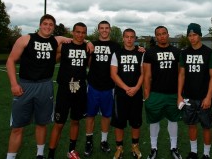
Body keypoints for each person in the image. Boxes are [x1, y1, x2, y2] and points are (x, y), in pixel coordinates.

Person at [5, 14, 79, 159]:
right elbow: (10, 60)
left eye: (51, 25)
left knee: (42, 123)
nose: (48, 26)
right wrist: (14, 84)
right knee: (17, 127)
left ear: (54, 27)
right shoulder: (26, 39)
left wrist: (88, 43)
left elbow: (76, 40)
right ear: (40, 25)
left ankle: (40, 154)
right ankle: (10, 157)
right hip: (25, 85)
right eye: (45, 24)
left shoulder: (56, 41)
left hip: (45, 85)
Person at [47, 22, 90, 159]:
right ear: (73, 32)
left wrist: (89, 42)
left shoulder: (88, 48)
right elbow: (50, 60)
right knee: (59, 124)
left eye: (83, 32)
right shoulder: (64, 46)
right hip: (64, 90)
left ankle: (71, 151)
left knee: (75, 121)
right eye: (78, 32)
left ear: (86, 34)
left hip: (80, 90)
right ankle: (51, 154)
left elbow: (92, 64)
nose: (80, 35)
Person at [178, 23, 212, 159]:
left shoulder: (209, 53)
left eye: (194, 35)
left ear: (199, 35)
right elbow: (181, 75)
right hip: (188, 96)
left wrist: (208, 97)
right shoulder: (184, 53)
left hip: (203, 96)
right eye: (190, 35)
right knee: (191, 125)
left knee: (206, 126)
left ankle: (206, 153)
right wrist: (179, 95)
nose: (192, 38)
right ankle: (193, 152)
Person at [143, 26, 182, 159]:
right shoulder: (149, 52)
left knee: (173, 120)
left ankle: (174, 147)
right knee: (154, 121)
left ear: (168, 34)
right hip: (156, 93)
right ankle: (153, 148)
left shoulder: (177, 52)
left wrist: (180, 94)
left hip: (173, 94)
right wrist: (147, 96)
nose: (162, 36)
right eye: (158, 34)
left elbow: (180, 74)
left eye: (164, 33)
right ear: (156, 36)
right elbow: (146, 75)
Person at [84, 20, 120, 156]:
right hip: (93, 85)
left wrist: (140, 49)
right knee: (90, 115)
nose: (104, 30)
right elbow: (87, 61)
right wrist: (87, 41)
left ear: (110, 29)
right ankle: (89, 141)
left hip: (109, 87)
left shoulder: (116, 46)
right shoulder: (92, 44)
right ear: (98, 29)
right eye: (102, 28)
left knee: (106, 115)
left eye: (107, 28)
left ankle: (104, 141)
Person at [110, 28, 144, 159]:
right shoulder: (117, 53)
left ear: (135, 39)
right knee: (119, 122)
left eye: (132, 37)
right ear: (123, 38)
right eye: (127, 37)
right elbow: (113, 74)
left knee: (136, 122)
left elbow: (143, 73)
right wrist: (126, 88)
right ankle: (119, 148)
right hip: (121, 93)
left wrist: (136, 88)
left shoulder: (141, 53)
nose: (129, 39)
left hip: (136, 93)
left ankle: (135, 146)